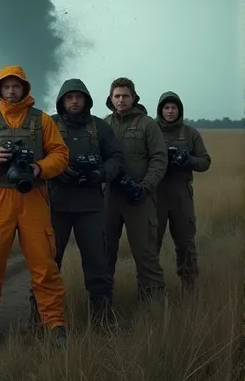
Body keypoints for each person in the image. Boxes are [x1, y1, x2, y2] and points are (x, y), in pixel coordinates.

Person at [0, 65, 69, 349]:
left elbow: (60, 155)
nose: (11, 91)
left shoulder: (42, 120)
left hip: (34, 197)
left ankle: (55, 324)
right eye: (6, 86)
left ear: (24, 88)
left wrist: (38, 167)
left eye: (16, 86)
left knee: (44, 264)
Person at [27, 78, 123, 328]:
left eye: (78, 97)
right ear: (61, 100)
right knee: (47, 261)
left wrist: (99, 173)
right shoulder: (49, 124)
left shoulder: (99, 127)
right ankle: (39, 315)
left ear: (86, 100)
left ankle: (102, 316)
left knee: (97, 261)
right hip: (55, 204)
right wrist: (56, 170)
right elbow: (35, 157)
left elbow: (115, 158)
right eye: (69, 97)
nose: (74, 101)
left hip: (90, 205)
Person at [104, 77, 168, 301]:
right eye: (117, 96)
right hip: (109, 199)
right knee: (104, 255)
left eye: (125, 96)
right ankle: (103, 306)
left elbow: (159, 159)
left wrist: (145, 187)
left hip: (139, 199)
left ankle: (153, 309)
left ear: (134, 98)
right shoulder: (104, 124)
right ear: (110, 99)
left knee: (146, 255)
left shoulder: (147, 124)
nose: (121, 100)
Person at [155, 91, 211, 292]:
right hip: (155, 194)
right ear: (160, 110)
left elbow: (205, 161)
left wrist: (187, 159)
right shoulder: (151, 130)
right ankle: (152, 289)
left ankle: (189, 287)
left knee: (186, 243)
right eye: (166, 107)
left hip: (181, 195)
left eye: (174, 107)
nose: (170, 111)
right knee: (151, 244)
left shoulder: (190, 133)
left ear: (180, 110)